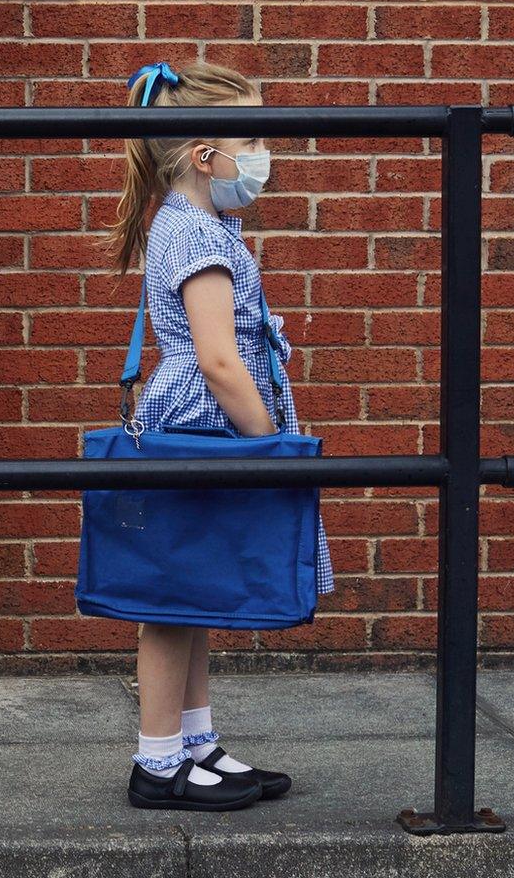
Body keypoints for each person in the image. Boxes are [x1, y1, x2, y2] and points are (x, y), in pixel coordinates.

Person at [105, 60, 332, 812]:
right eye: (253, 138)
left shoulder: (196, 222)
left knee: (196, 593)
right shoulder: (199, 236)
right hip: (207, 431)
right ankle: (158, 762)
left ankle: (195, 746)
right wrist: (271, 446)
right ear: (206, 157)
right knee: (172, 606)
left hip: (202, 430)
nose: (265, 154)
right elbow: (219, 359)